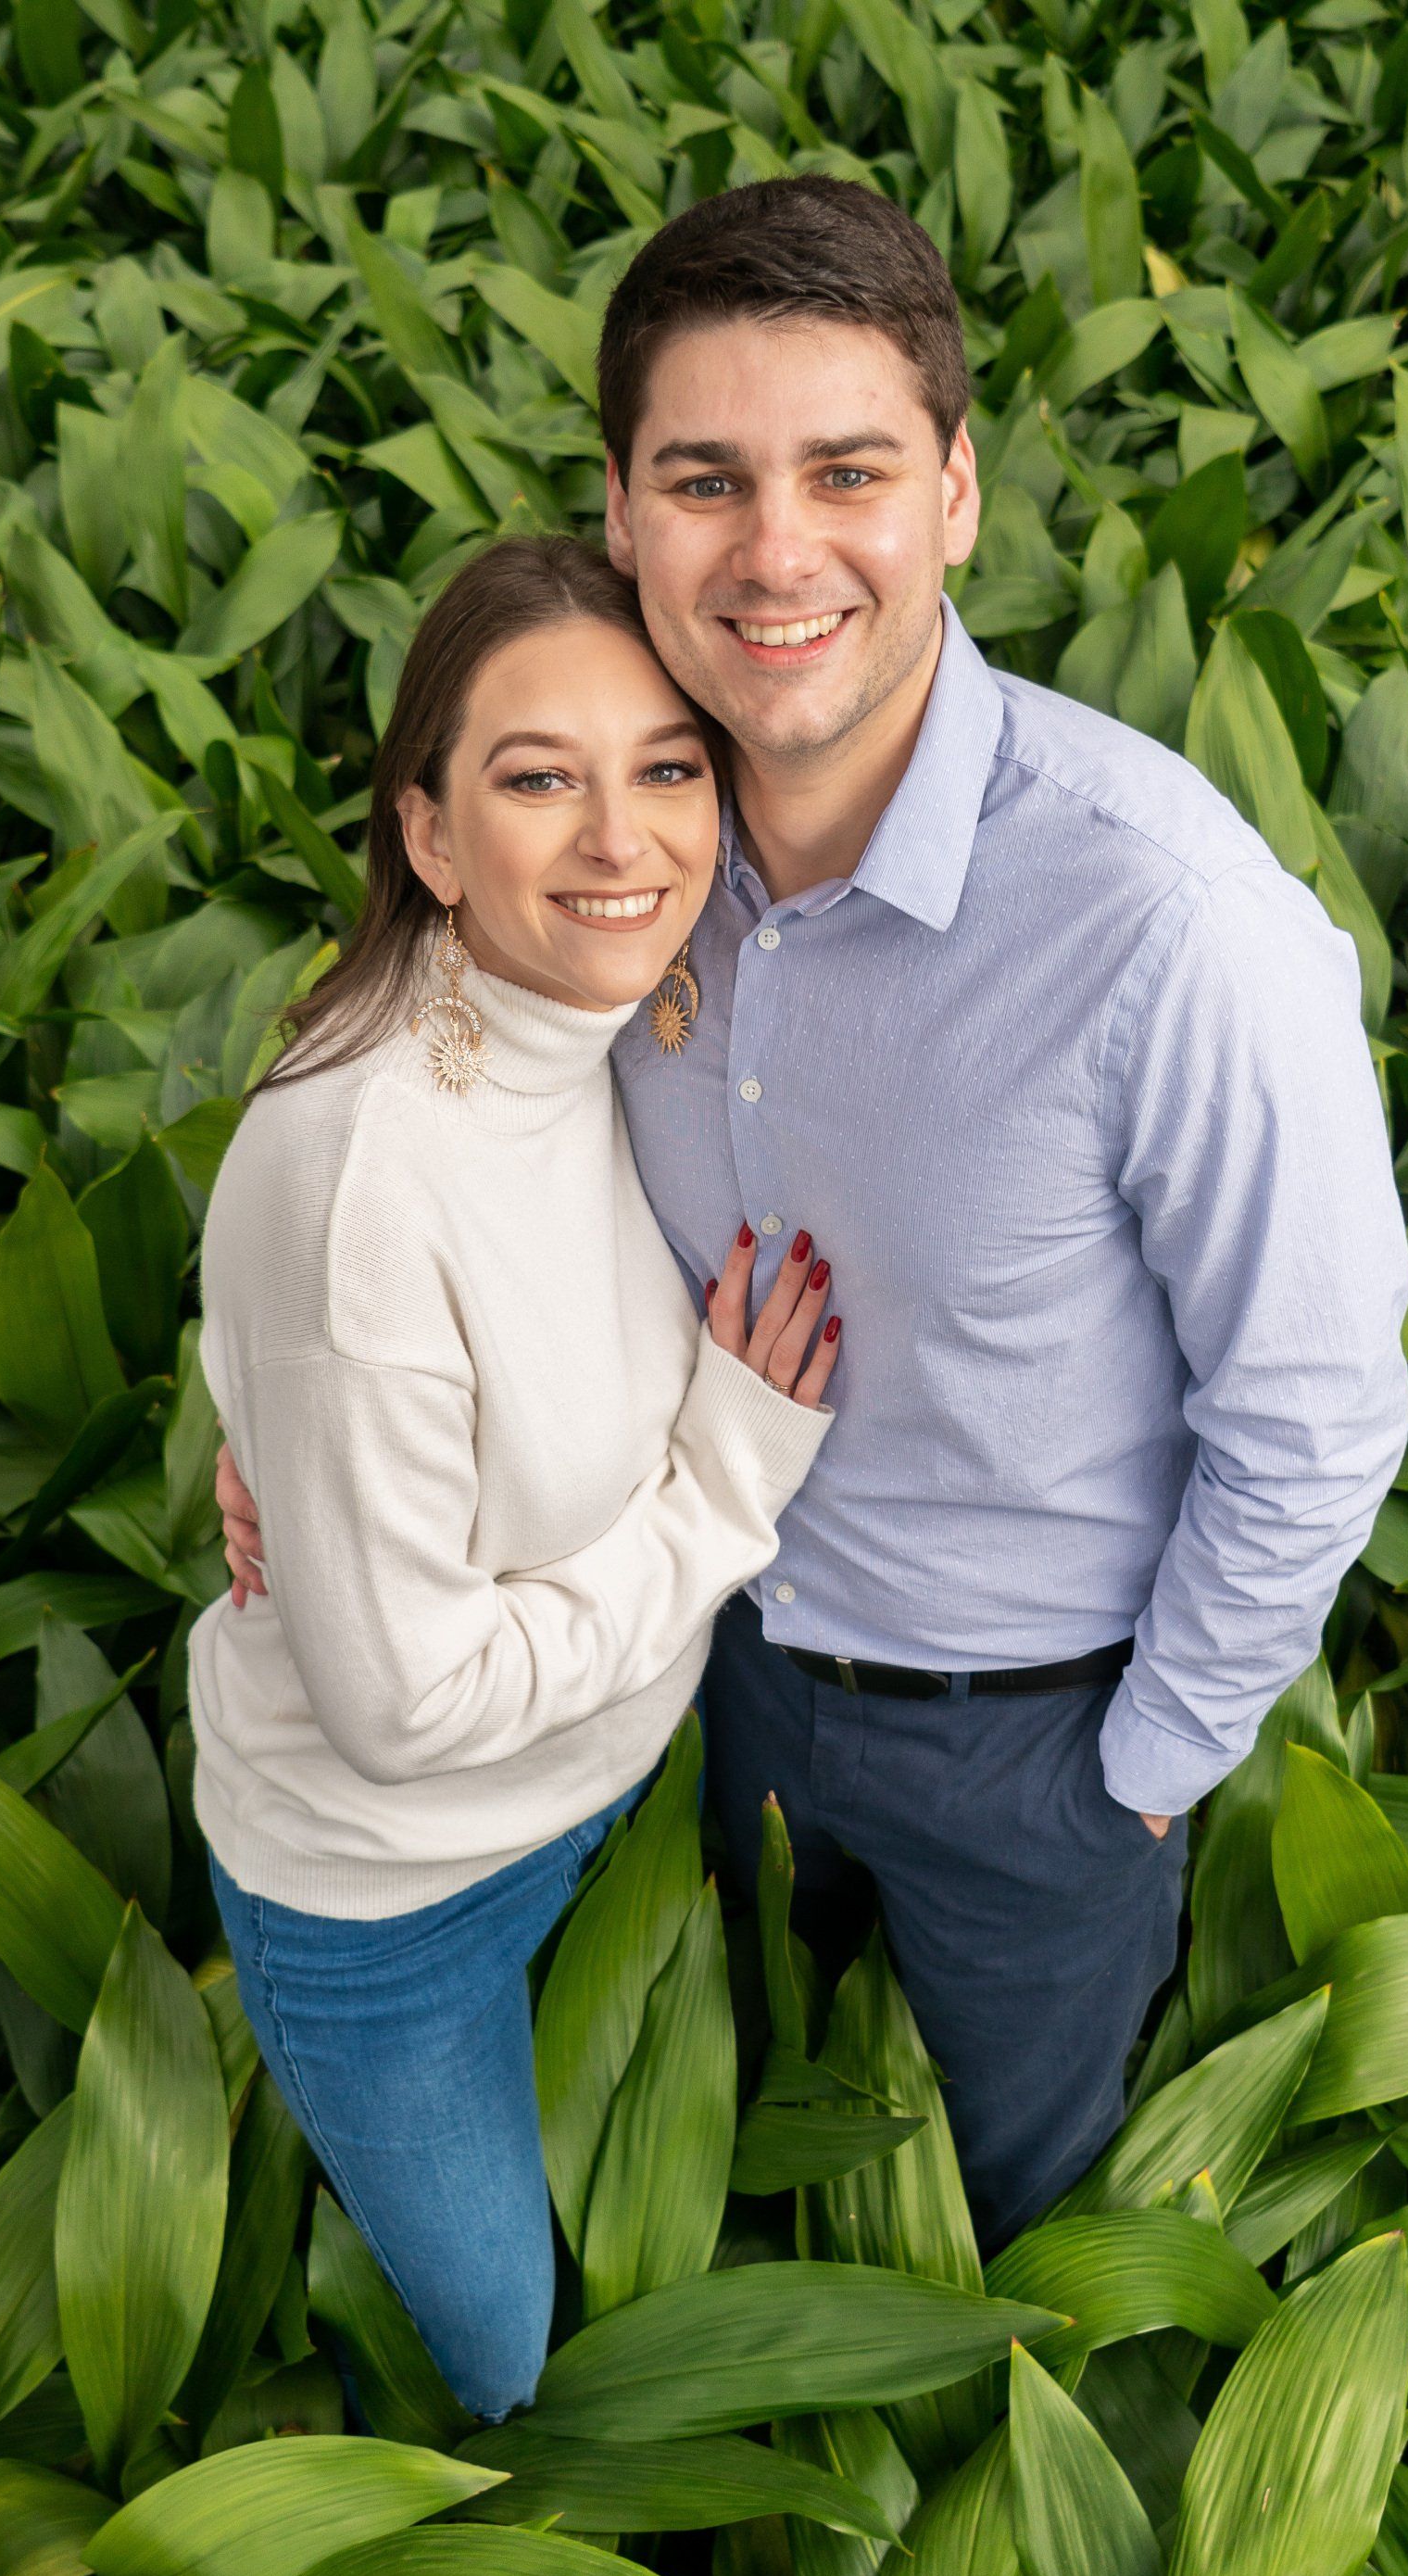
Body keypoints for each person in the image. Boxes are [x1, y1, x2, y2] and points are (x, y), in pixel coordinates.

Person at [220, 176, 1408, 2253]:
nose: (776, 550)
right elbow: (431, 1167)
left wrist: (1138, 1772)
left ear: (953, 492)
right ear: (620, 512)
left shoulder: (1174, 926)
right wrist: (306, 1448)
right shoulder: (628, 860)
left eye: (845, 471)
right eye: (706, 479)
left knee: (1021, 2219)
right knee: (751, 2125)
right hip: (706, 1674)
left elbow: (1311, 1415)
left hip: (1030, 1738)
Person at [189, 531, 838, 2421]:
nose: (622, 835)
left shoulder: (630, 1010)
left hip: (619, 1783)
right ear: (430, 833)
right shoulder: (365, 1165)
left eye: (668, 765)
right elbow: (407, 1712)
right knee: (500, 2348)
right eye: (536, 776)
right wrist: (729, 1482)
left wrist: (283, 1462)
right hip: (389, 1895)